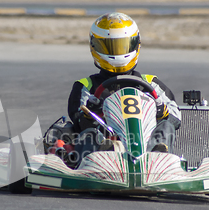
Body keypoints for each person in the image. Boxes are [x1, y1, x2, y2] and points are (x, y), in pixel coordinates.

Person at [67, 12, 181, 153]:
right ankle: (106, 152)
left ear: (135, 44)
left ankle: (158, 155)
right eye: (109, 46)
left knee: (166, 126)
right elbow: (78, 124)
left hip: (145, 145)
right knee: (90, 133)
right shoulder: (86, 86)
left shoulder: (151, 83)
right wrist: (91, 113)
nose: (117, 53)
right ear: (94, 46)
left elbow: (176, 117)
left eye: (122, 46)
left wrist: (162, 112)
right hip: (104, 148)